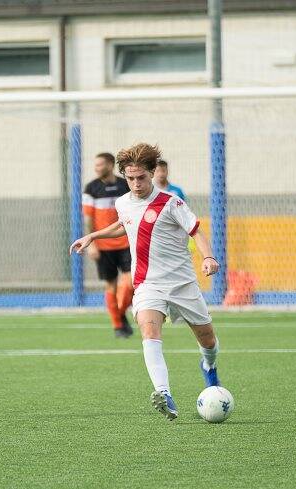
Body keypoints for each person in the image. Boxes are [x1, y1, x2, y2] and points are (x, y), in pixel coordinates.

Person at [71, 143, 222, 421]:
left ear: (152, 173)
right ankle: (164, 394)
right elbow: (123, 223)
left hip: (182, 284)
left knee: (208, 340)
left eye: (141, 177)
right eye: (130, 178)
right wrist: (92, 236)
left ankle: (209, 368)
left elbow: (196, 231)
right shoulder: (123, 202)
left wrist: (209, 257)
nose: (136, 184)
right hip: (148, 284)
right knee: (149, 332)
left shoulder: (171, 202)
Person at [82, 152, 134, 338]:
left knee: (130, 283)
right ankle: (118, 326)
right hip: (103, 247)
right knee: (111, 285)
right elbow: (88, 219)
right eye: (95, 165)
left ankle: (119, 312)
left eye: (100, 165)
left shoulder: (125, 185)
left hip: (126, 242)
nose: (97, 168)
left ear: (111, 165)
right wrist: (92, 244)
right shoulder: (91, 188)